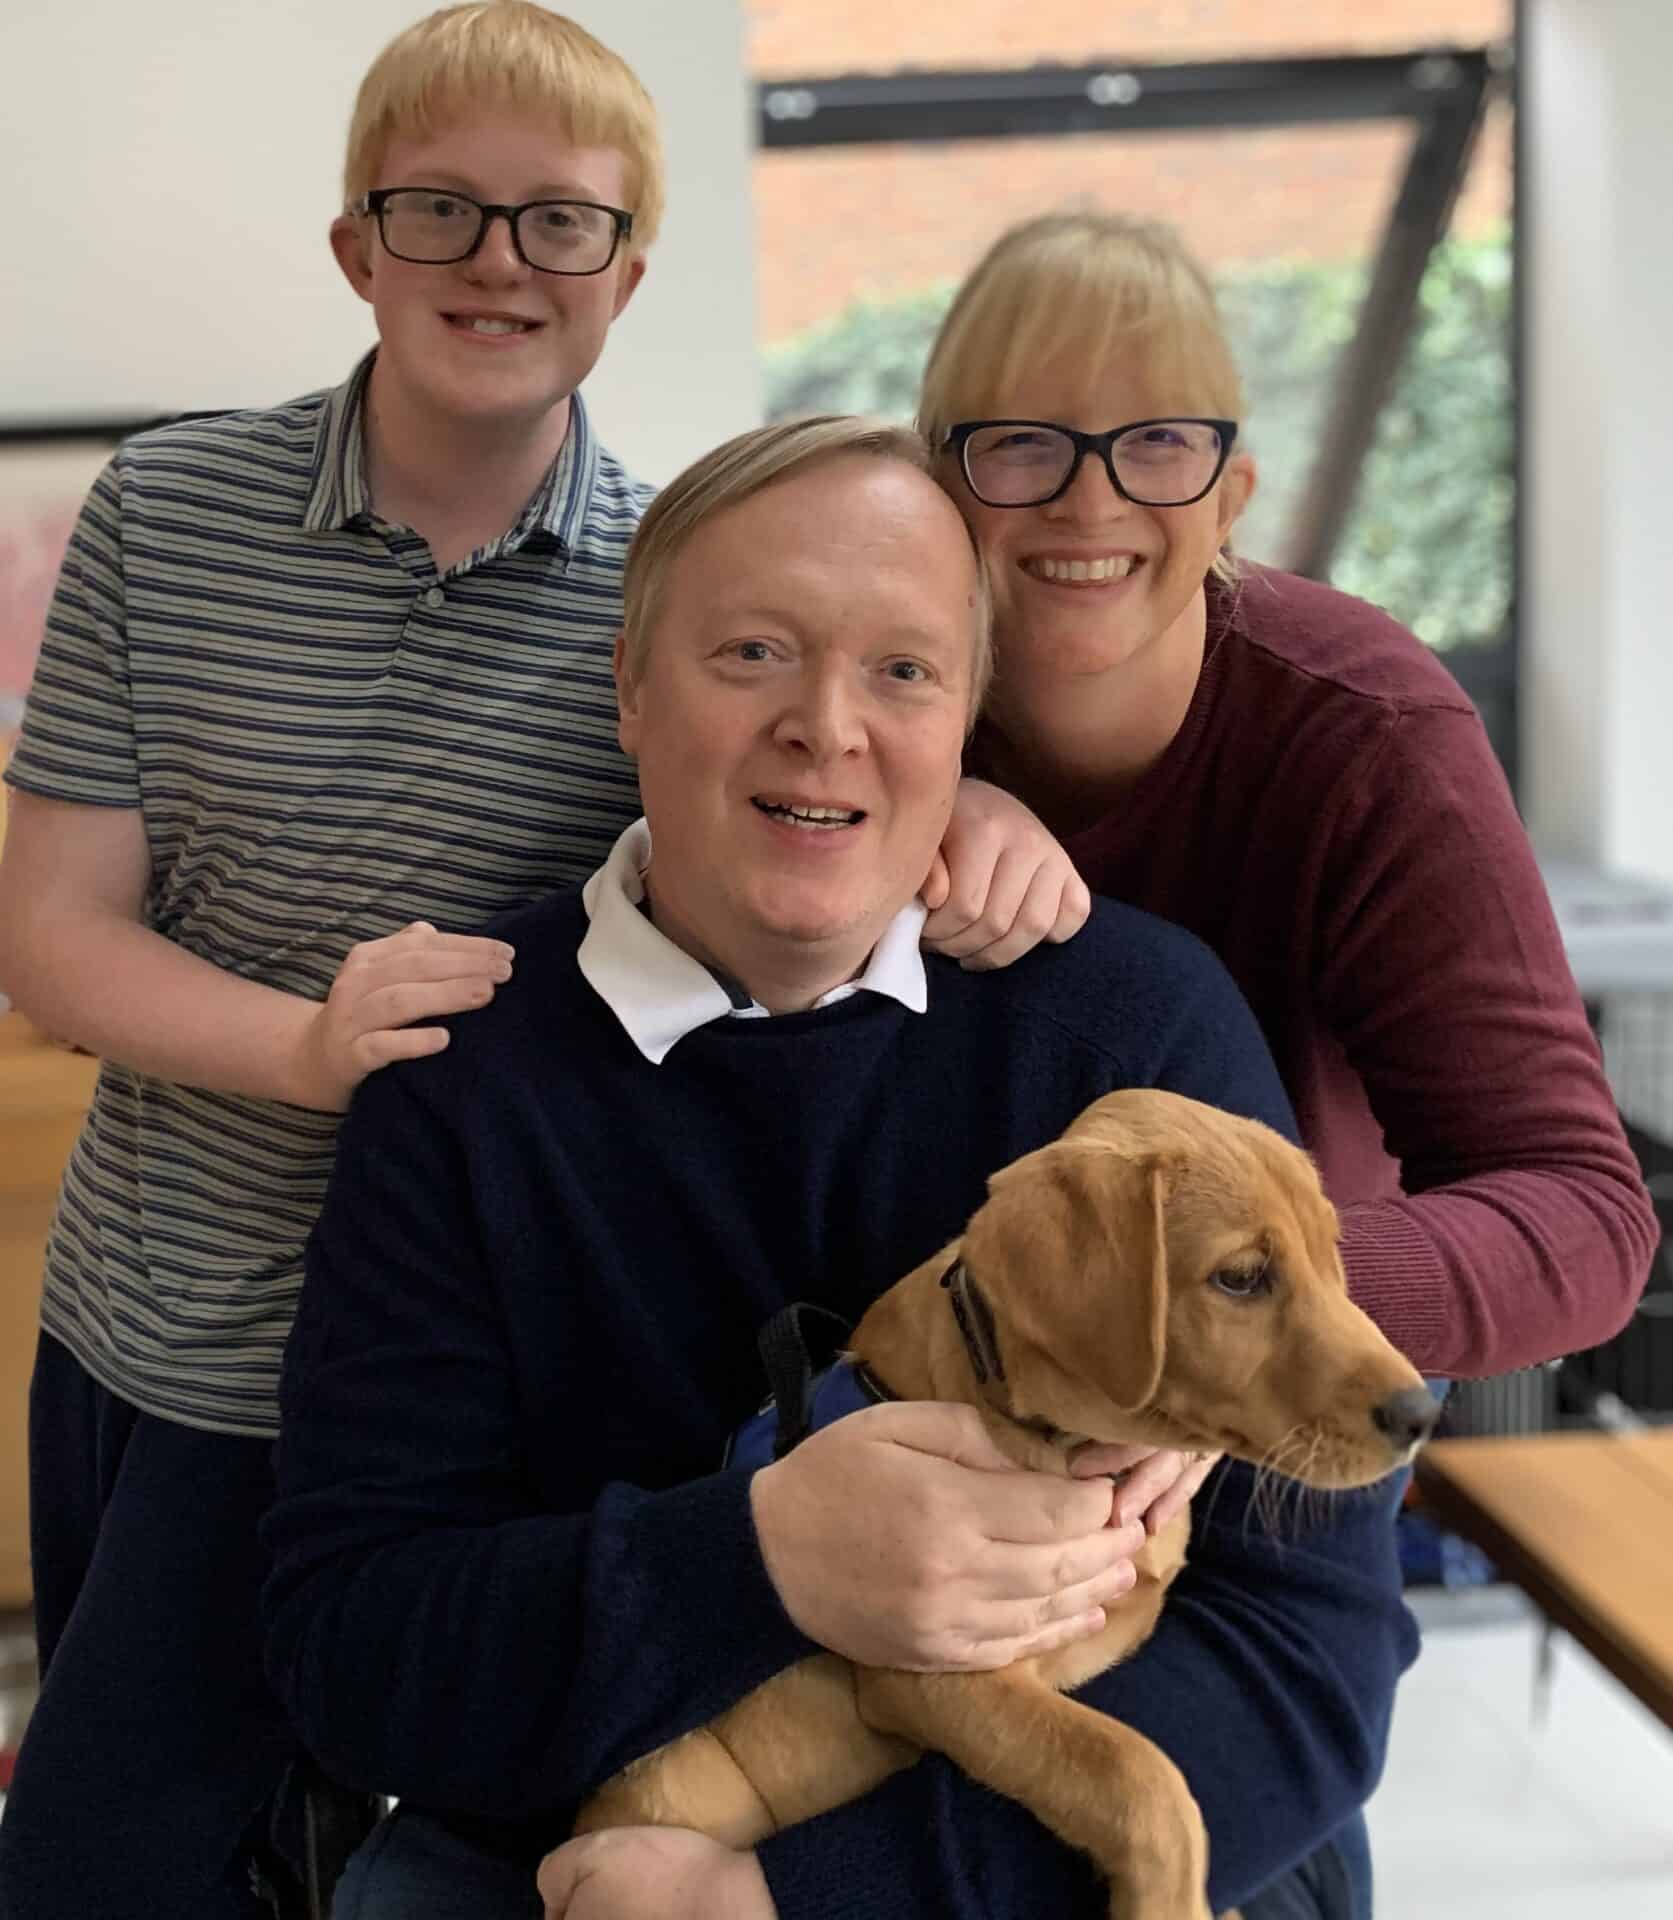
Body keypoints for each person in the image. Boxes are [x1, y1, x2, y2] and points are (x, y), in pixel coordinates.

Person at [0, 14, 1082, 1913]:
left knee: (408, 1833)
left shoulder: (677, 594)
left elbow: (799, 810)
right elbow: (48, 936)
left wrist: (971, 821)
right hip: (181, 1349)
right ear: (358, 248)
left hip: (484, 1388)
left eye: (559, 226)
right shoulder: (163, 521)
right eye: (441, 212)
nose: (499, 262)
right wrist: (306, 1051)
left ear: (627, 278)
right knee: (116, 1858)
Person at [262, 416, 1419, 1920]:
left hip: (1059, 1849)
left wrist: (801, 1901)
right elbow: (357, 1650)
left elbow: (1309, 1658)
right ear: (626, 685)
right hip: (604, 1837)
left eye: (904, 669)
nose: (827, 723)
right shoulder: (463, 1076)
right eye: (751, 652)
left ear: (969, 719)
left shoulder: (1136, 1025)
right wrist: (757, 1561)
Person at [914, 210, 1656, 1385]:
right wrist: (925, 795)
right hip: (915, 1372)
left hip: (1260, 1412)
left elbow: (1580, 1218)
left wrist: (1202, 1295)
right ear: (935, 484)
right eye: (1020, 443)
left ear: (1231, 494)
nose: (1088, 500)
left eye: (1156, 441)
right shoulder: (860, 712)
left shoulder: (1369, 735)